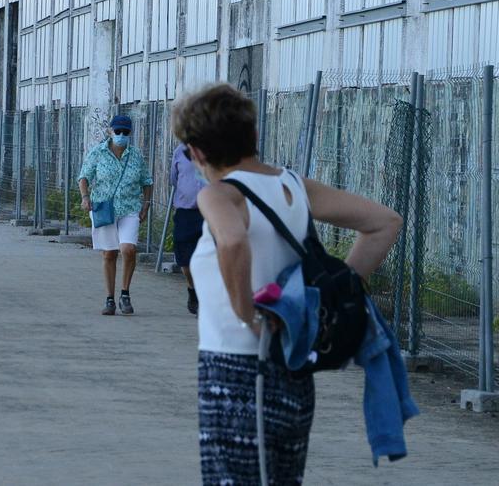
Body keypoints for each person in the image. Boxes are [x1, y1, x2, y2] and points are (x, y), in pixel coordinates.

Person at [172, 83, 401, 485]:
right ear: (253, 135)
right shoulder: (294, 186)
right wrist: (327, 294)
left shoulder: (219, 194)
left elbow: (231, 239)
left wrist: (248, 314)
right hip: (293, 371)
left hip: (236, 370)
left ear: (197, 152)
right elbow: (384, 223)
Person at [77, 114, 153, 316]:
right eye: (117, 131)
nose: (121, 135)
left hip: (129, 208)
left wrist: (145, 206)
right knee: (109, 253)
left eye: (125, 132)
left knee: (128, 249)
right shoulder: (98, 153)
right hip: (104, 208)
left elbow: (147, 181)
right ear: (110, 131)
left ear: (130, 134)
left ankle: (125, 293)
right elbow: (84, 176)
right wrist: (85, 197)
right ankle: (109, 298)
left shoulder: (136, 155)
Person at [169, 144, 205, 315]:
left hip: (211, 211)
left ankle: (205, 298)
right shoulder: (180, 151)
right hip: (186, 211)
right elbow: (174, 179)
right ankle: (192, 288)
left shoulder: (219, 148)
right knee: (185, 261)